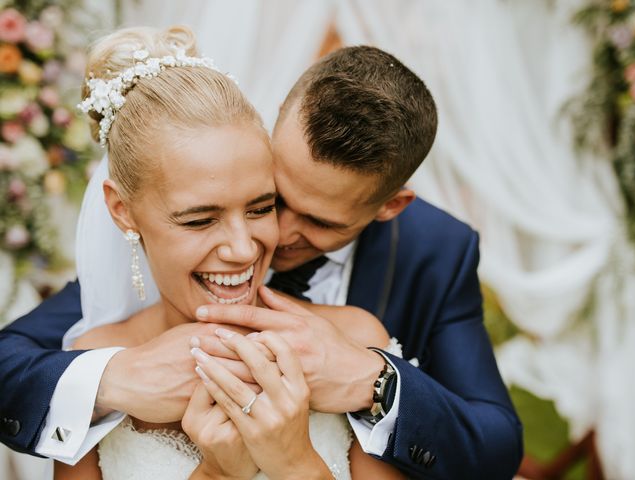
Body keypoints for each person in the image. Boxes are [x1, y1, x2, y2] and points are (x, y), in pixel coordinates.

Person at [0, 32, 523, 480]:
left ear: (390, 207)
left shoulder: (431, 258)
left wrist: (371, 383)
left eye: (317, 221)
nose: (262, 241)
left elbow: (495, 443)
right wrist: (116, 380)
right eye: (276, 197)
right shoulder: (112, 332)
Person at [48, 25, 407, 479]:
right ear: (123, 211)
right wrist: (217, 473)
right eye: (200, 219)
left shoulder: (353, 343)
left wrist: (295, 462)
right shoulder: (94, 368)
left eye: (261, 207)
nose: (243, 250)